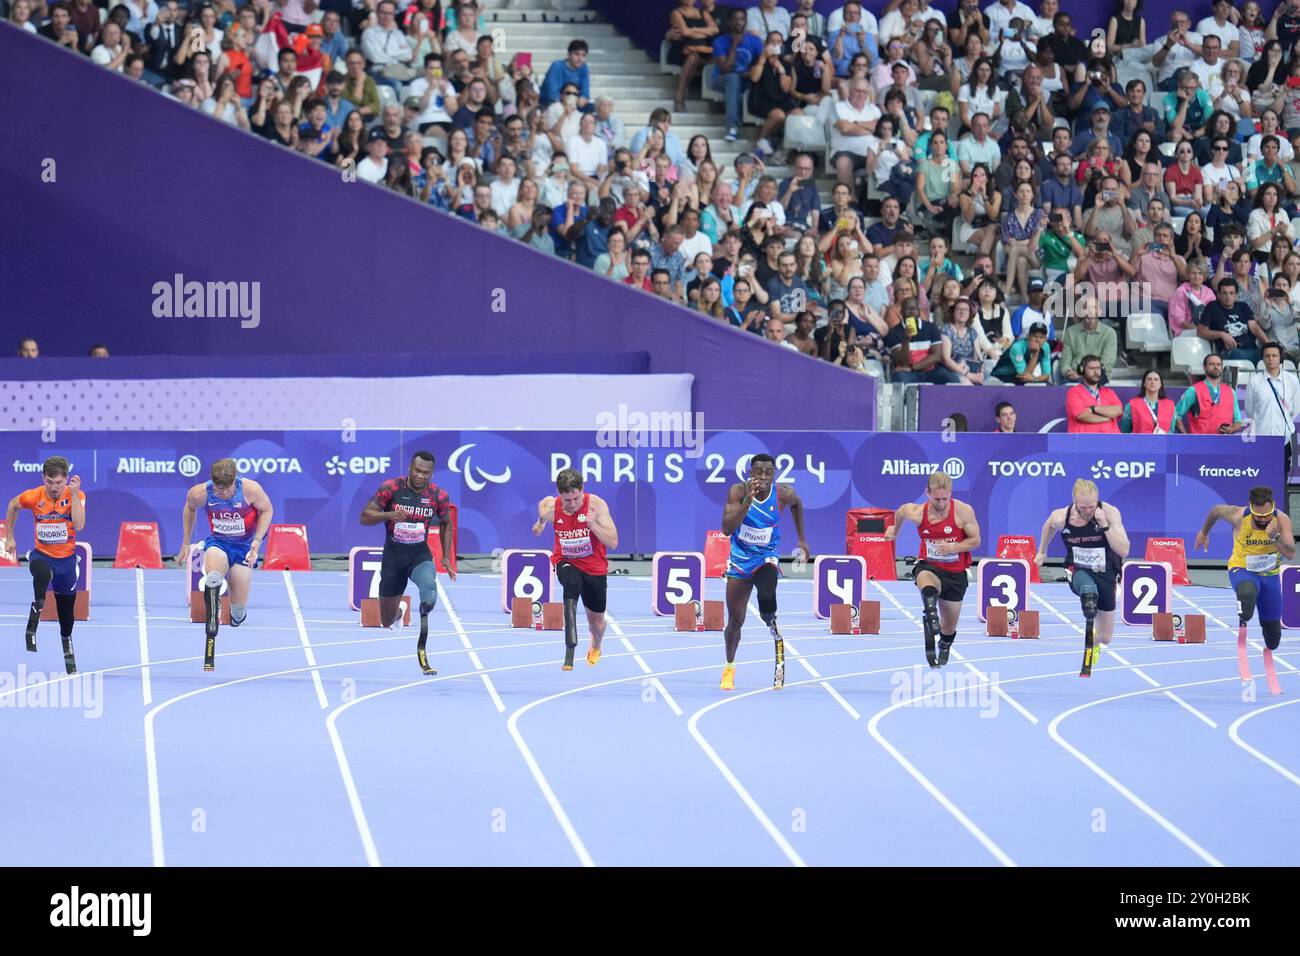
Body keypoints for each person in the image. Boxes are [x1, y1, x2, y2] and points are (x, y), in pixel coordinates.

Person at [719, 453, 810, 691]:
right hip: (740, 561)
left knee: (767, 594)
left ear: (773, 475)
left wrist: (801, 539)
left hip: (765, 557)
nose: (762, 477)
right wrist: (747, 502)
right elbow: (727, 529)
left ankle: (771, 622)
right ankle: (729, 667)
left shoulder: (782, 494)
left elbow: (797, 504)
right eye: (758, 472)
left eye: (767, 473)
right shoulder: (738, 492)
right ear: (750, 473)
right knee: (735, 622)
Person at [359, 451, 456, 674]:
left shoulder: (438, 496)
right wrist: (389, 515)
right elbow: (365, 517)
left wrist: (445, 556)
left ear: (432, 473)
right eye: (417, 471)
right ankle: (400, 612)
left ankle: (424, 614)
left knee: (428, 587)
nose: (421, 476)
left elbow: (446, 523)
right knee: (386, 620)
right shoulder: (391, 488)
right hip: (393, 556)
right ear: (410, 468)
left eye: (426, 473)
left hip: (418, 554)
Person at [174, 457, 274, 670]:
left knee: (237, 615)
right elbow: (189, 509)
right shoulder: (200, 493)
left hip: (245, 546)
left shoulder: (250, 490)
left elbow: (267, 511)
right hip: (218, 542)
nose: (222, 494)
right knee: (213, 577)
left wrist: (257, 541)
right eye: (218, 490)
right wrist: (185, 541)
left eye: (226, 490)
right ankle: (214, 600)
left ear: (234, 482)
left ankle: (235, 612)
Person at [1196, 486, 1295, 693]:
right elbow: (1215, 510)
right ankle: (1244, 609)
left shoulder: (1281, 520)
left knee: (1273, 639)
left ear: (1272, 508)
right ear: (1251, 508)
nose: (1262, 520)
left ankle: (1265, 629)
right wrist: (1204, 533)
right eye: (1258, 516)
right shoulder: (1239, 515)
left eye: (1266, 515)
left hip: (1270, 576)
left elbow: (1291, 554)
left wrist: (1275, 537)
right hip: (1242, 570)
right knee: (1248, 592)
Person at [1034, 480, 1130, 677]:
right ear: (1074, 501)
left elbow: (1124, 550)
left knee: (1106, 637)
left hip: (1106, 572)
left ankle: (1093, 644)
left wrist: (1104, 526)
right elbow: (1049, 526)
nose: (1088, 511)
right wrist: (1042, 551)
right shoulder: (1062, 516)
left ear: (1098, 501)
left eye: (1092, 506)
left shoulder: (1110, 513)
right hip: (1077, 569)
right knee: (1087, 590)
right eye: (1083, 507)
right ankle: (1088, 597)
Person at [885, 471, 981, 668]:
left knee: (949, 627)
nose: (941, 504)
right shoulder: (918, 513)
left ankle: (944, 644)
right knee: (926, 582)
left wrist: (953, 547)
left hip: (955, 573)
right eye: (936, 499)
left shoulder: (963, 511)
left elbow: (975, 541)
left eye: (945, 498)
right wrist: (895, 530)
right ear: (927, 494)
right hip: (931, 565)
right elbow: (901, 511)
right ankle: (930, 613)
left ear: (951, 495)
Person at [4, 457, 85, 674]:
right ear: (44, 479)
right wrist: (9, 537)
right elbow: (12, 506)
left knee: (66, 612)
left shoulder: (75, 496)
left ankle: (66, 640)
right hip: (42, 555)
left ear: (66, 480)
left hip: (66, 562)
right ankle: (37, 607)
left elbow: (79, 524)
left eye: (59, 482)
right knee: (42, 573)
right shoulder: (34, 496)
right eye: (50, 482)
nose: (54, 487)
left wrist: (75, 496)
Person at [532, 468, 617, 670]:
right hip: (566, 560)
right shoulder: (551, 508)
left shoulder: (596, 505)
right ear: (559, 494)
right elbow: (542, 510)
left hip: (594, 567)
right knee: (571, 582)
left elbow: (613, 542)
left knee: (596, 624)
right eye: (567, 500)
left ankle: (595, 645)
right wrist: (540, 524)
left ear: (582, 490)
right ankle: (570, 645)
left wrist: (593, 525)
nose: (571, 505)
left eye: (576, 499)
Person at [1245, 341, 1300, 480]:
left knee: (1281, 479)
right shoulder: (1255, 381)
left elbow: (1295, 409)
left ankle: (1282, 503)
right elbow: (1249, 410)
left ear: (1280, 357)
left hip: (1283, 439)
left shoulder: (1292, 380)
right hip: (1261, 439)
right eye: (1267, 355)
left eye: (1274, 355)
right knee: (1260, 477)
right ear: (1263, 358)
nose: (1270, 358)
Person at [1175, 353, 1248, 434]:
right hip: (1199, 444)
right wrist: (1186, 437)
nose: (1215, 367)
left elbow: (1238, 421)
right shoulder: (1194, 390)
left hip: (1224, 443)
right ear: (1204, 368)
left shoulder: (1231, 392)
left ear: (1221, 368)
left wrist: (1232, 429)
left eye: (1218, 364)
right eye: (1211, 364)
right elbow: (1175, 416)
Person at [1065, 355, 1123, 432]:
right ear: (1082, 370)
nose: (1096, 372)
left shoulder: (1109, 392)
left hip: (1111, 440)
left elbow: (1118, 410)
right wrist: (1107, 418)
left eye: (1098, 368)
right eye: (1092, 368)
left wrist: (1092, 409)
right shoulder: (1073, 393)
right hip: (1085, 441)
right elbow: (1082, 415)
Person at [1120, 369, 1176, 433]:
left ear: (1160, 384)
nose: (1153, 382)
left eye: (1156, 379)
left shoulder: (1170, 406)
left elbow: (1171, 433)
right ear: (1144, 383)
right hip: (1140, 442)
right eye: (1149, 379)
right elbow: (1125, 433)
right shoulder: (1131, 406)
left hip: (1163, 442)